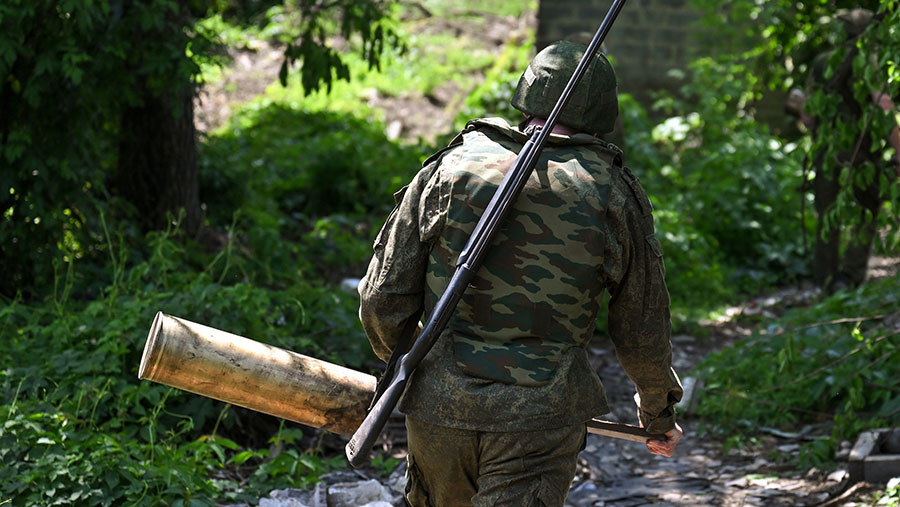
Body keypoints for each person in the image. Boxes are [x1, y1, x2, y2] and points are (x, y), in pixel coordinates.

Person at [357, 40, 684, 507]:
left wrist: (412, 366)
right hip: (538, 419)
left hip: (439, 412)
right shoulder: (611, 192)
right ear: (603, 110)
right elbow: (642, 325)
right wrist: (657, 412)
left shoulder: (450, 167)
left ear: (526, 92)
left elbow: (383, 297)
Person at [786, 8, 900, 291]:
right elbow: (884, 107)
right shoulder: (872, 64)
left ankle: (825, 282)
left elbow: (809, 118)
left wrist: (800, 106)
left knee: (827, 216)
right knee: (866, 212)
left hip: (827, 153)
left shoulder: (822, 62)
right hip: (863, 154)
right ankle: (849, 278)